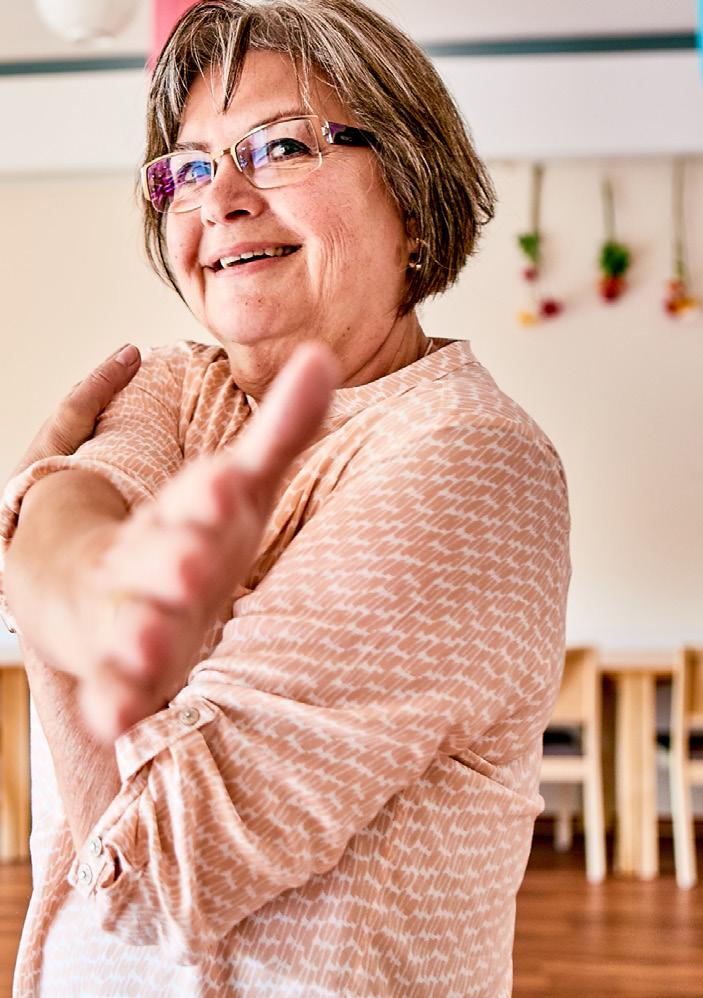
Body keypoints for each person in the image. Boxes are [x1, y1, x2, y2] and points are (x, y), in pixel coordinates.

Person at [0, 1, 570, 994]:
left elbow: (160, 873)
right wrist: (86, 582)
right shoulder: (174, 381)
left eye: (280, 146)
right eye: (187, 167)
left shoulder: (470, 460)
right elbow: (73, 494)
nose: (217, 196)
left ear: (408, 177)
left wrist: (37, 570)